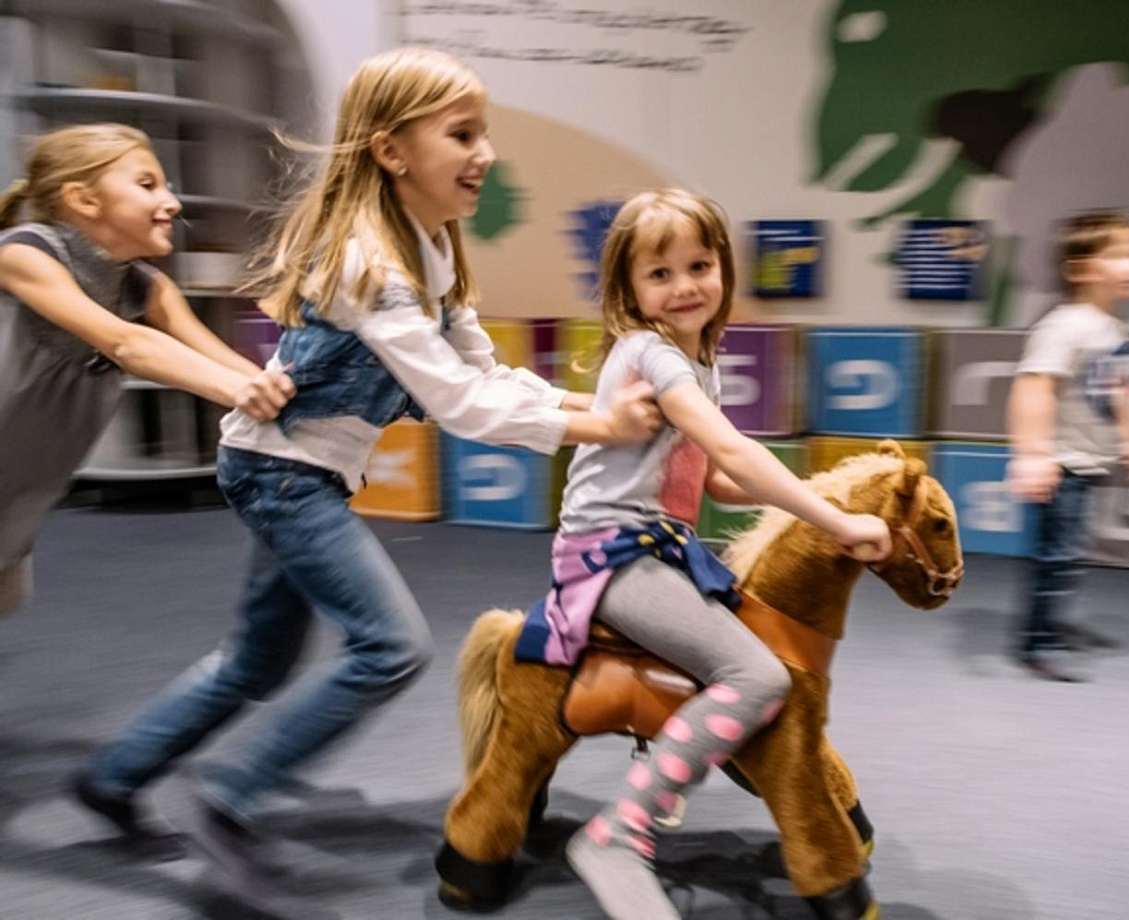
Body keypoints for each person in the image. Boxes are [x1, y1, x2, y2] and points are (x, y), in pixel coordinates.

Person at [76, 48, 662, 890]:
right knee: (390, 648)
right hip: (281, 472)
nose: (485, 153)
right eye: (462, 134)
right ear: (392, 151)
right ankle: (225, 795)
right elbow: (455, 403)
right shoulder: (368, 262)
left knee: (257, 662)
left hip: (292, 470)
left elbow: (482, 374)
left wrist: (587, 417)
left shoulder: (430, 250)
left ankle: (114, 776)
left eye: (484, 132)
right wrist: (595, 425)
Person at [514, 189, 891, 920]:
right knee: (756, 674)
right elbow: (729, 451)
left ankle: (661, 767)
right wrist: (832, 519)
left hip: (663, 547)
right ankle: (619, 834)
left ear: (723, 266)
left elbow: (713, 475)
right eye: (660, 274)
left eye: (699, 264)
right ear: (627, 288)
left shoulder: (698, 358)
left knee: (753, 634)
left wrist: (796, 510)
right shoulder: (654, 355)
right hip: (613, 555)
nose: (685, 285)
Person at [0, 123, 294, 619]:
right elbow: (125, 342)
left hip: (21, 494)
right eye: (147, 185)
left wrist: (286, 392)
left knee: (8, 597)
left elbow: (218, 356)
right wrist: (246, 392)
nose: (172, 203)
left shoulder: (148, 288)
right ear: (83, 200)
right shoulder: (24, 253)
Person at [1006, 211, 1129, 682]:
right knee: (1056, 556)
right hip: (1062, 463)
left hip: (1091, 461)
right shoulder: (1065, 326)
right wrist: (1032, 454)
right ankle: (1036, 642)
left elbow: (1126, 389)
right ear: (1082, 269)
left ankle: (1049, 627)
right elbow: (1034, 387)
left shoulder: (1125, 330)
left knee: (1068, 554)